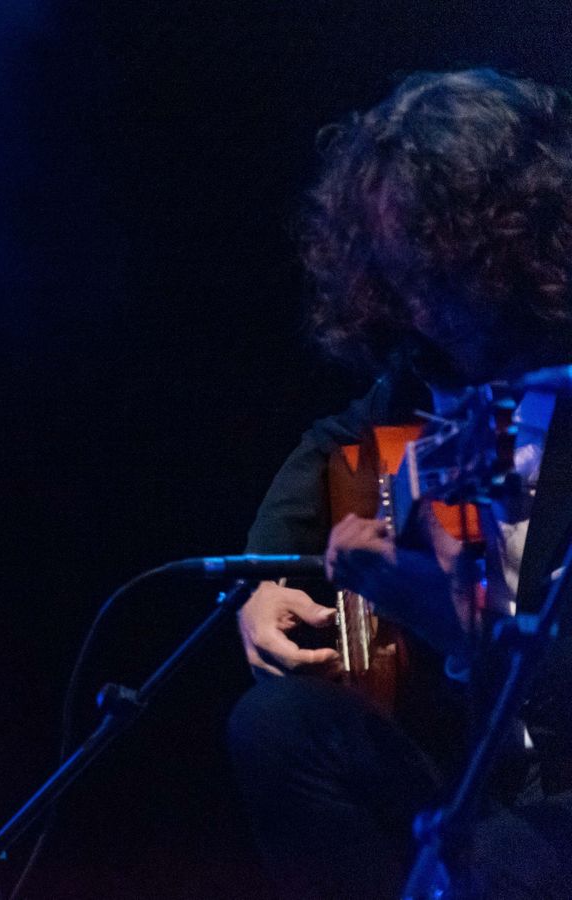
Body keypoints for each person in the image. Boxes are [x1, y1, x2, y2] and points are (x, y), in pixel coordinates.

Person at [228, 69, 572, 898]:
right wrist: (267, 572)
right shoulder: (438, 364)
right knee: (278, 728)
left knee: (479, 868)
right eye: (400, 273)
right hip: (487, 783)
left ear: (518, 236)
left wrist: (467, 632)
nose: (418, 307)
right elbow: (335, 442)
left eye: (442, 269)